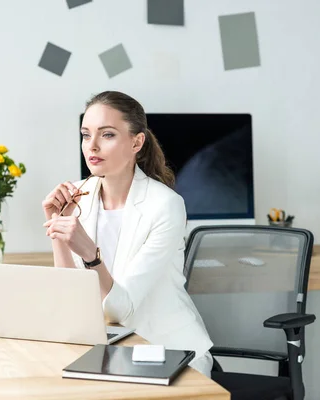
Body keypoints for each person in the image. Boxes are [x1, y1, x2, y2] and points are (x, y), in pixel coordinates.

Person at [41, 90, 214, 377]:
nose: (92, 146)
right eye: (86, 135)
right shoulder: (79, 196)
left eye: (106, 135)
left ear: (137, 142)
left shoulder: (166, 206)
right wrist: (58, 229)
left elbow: (122, 310)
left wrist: (89, 255)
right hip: (109, 348)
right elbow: (70, 298)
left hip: (167, 350)